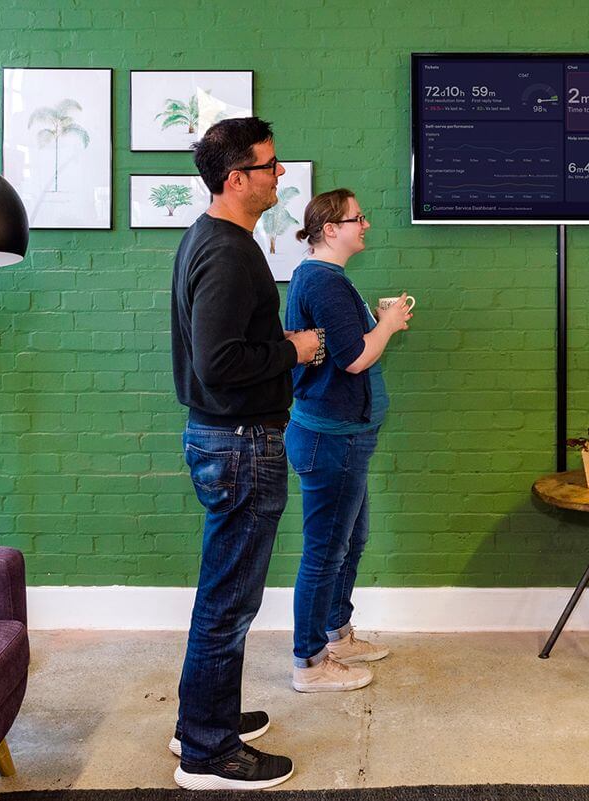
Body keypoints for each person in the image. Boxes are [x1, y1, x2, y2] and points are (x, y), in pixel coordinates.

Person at [170, 116, 320, 790]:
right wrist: (296, 349)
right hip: (239, 442)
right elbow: (219, 361)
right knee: (228, 601)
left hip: (227, 439)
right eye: (270, 164)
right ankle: (207, 750)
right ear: (237, 179)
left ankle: (205, 717)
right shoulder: (228, 251)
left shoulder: (215, 238)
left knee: (222, 592)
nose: (279, 173)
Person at [283, 189, 412, 692]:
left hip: (343, 437)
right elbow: (355, 358)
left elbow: (347, 347)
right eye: (359, 218)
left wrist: (378, 323)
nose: (367, 225)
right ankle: (310, 662)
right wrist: (389, 324)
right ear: (331, 228)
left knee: (348, 542)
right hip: (330, 441)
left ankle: (335, 633)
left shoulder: (327, 279)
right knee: (325, 551)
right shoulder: (323, 280)